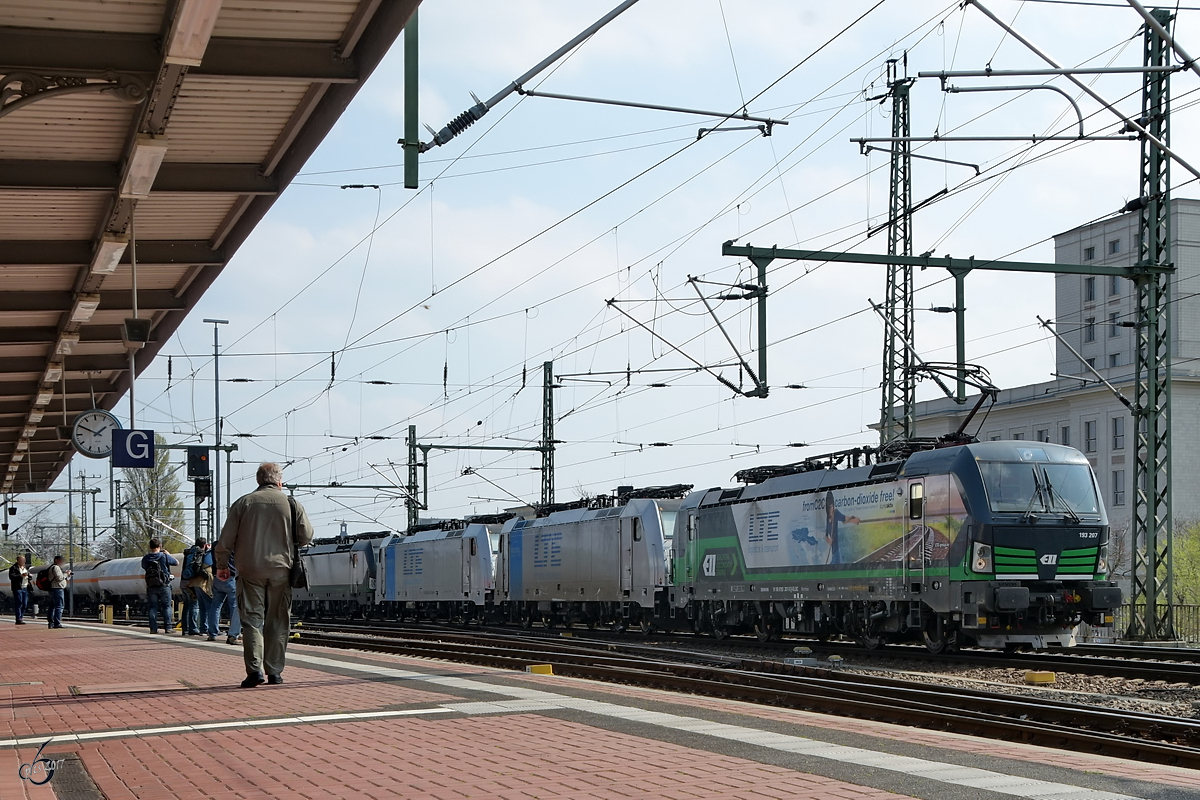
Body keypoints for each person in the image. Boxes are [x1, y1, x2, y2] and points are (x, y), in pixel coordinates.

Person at [216, 462, 313, 688]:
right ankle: (275, 672)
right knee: (278, 621)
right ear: (279, 481)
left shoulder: (244, 503)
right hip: (281, 570)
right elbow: (306, 535)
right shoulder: (291, 503)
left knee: (251, 621)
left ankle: (254, 671)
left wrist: (222, 565)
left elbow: (226, 539)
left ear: (259, 480)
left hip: (250, 570)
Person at [141, 539, 178, 634]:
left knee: (153, 607)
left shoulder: (146, 558)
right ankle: (168, 628)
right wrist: (168, 554)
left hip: (151, 585)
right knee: (166, 606)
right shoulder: (164, 556)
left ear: (150, 547)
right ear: (160, 546)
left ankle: (153, 629)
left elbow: (144, 567)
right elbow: (176, 562)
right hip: (164, 584)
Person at [181, 539, 214, 638]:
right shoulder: (202, 553)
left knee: (195, 606)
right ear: (204, 545)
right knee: (205, 607)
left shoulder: (190, 552)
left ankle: (189, 629)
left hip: (189, 581)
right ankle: (204, 629)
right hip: (200, 583)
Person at [207, 552, 241, 645]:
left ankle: (212, 633)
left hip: (217, 578)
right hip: (231, 577)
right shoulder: (234, 545)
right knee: (235, 607)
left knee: (215, 606)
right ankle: (233, 634)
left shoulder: (215, 545)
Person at [824, 492, 861, 565]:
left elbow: (844, 519)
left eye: (832, 507)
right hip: (833, 552)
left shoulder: (836, 513)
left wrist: (854, 521)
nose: (831, 509)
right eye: (829, 508)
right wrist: (828, 540)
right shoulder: (828, 518)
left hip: (837, 551)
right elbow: (826, 534)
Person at [46, 556, 70, 629]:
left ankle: (51, 622)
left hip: (53, 589)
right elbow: (59, 578)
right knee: (59, 606)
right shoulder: (56, 567)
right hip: (57, 588)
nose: (62, 562)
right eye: (61, 560)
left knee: (52, 606)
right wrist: (66, 574)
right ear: (56, 560)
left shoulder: (51, 567)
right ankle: (57, 623)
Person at [8, 555, 30, 624]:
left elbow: (26, 576)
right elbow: (11, 577)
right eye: (22, 560)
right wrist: (20, 575)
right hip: (18, 588)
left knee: (25, 603)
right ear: (18, 560)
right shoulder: (13, 568)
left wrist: (29, 576)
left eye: (24, 560)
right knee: (19, 602)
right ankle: (18, 619)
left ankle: (21, 617)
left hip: (25, 587)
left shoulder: (25, 568)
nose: (23, 561)